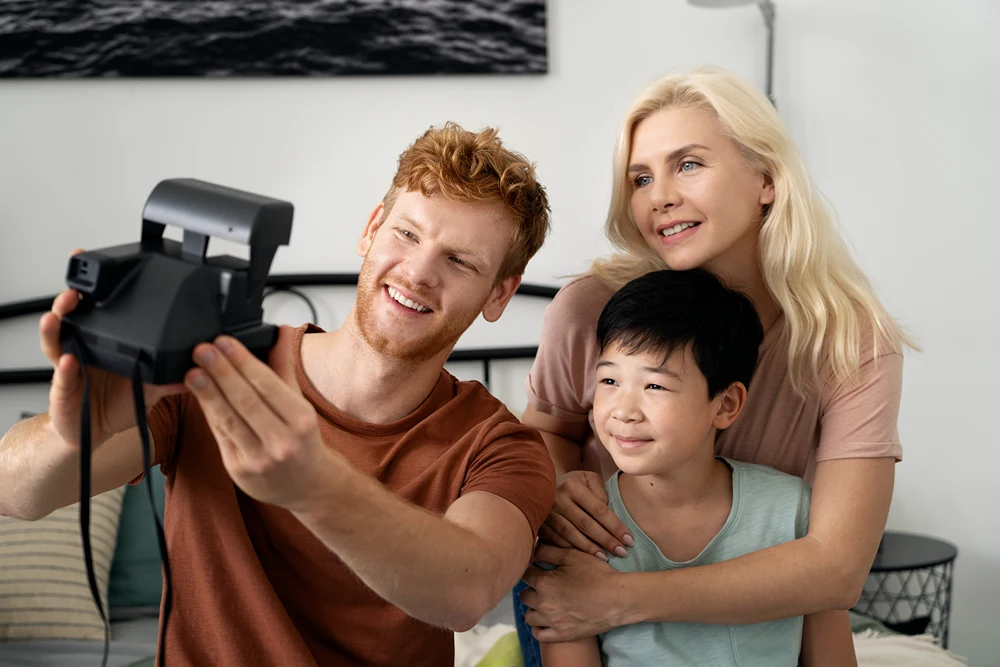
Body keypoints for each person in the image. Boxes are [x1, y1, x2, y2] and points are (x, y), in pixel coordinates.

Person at [0, 122, 557, 667]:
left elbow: (465, 593)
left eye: (459, 261)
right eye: (406, 234)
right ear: (371, 229)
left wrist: (316, 486)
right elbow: (15, 495)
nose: (417, 272)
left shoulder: (502, 447)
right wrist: (69, 433)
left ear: (500, 293)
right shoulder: (212, 366)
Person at [514, 67, 911, 663]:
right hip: (589, 599)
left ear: (766, 179)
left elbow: (835, 568)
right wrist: (558, 486)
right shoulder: (591, 310)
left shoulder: (850, 338)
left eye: (689, 165)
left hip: (720, 608)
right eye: (641, 178)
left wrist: (622, 599)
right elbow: (546, 432)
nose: (660, 196)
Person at [539, 268, 857, 667]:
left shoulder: (791, 512)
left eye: (655, 386)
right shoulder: (580, 530)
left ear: (725, 405)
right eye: (608, 380)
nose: (623, 410)